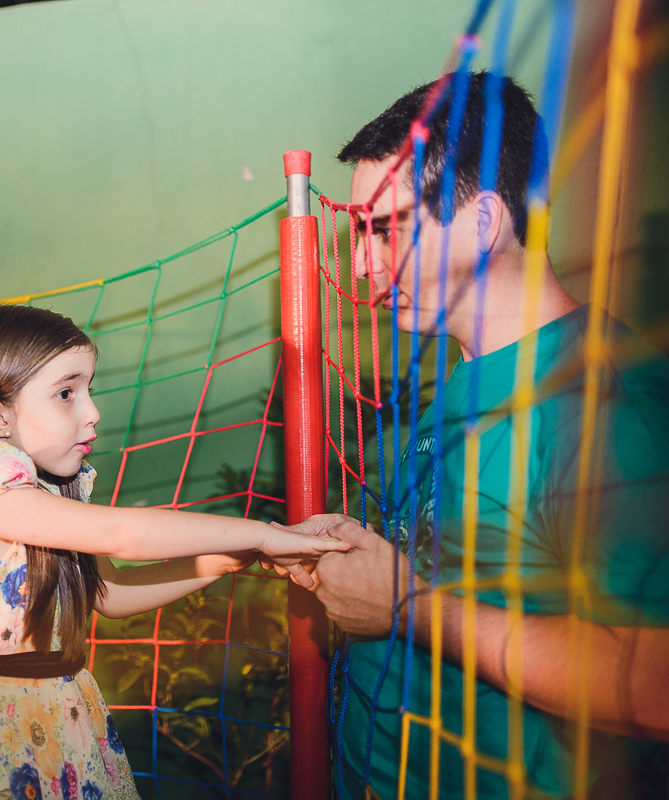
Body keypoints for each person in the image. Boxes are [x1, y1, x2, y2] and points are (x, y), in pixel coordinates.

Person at [277, 72, 669, 799]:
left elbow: (652, 685)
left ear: (484, 223)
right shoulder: (460, 380)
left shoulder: (608, 404)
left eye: (385, 230)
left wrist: (405, 606)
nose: (362, 264)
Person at [0, 304, 350, 800]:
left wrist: (232, 558)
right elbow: (121, 533)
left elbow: (110, 590)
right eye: (66, 393)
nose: (92, 412)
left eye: (89, 389)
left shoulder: (44, 499)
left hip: (65, 721)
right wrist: (259, 534)